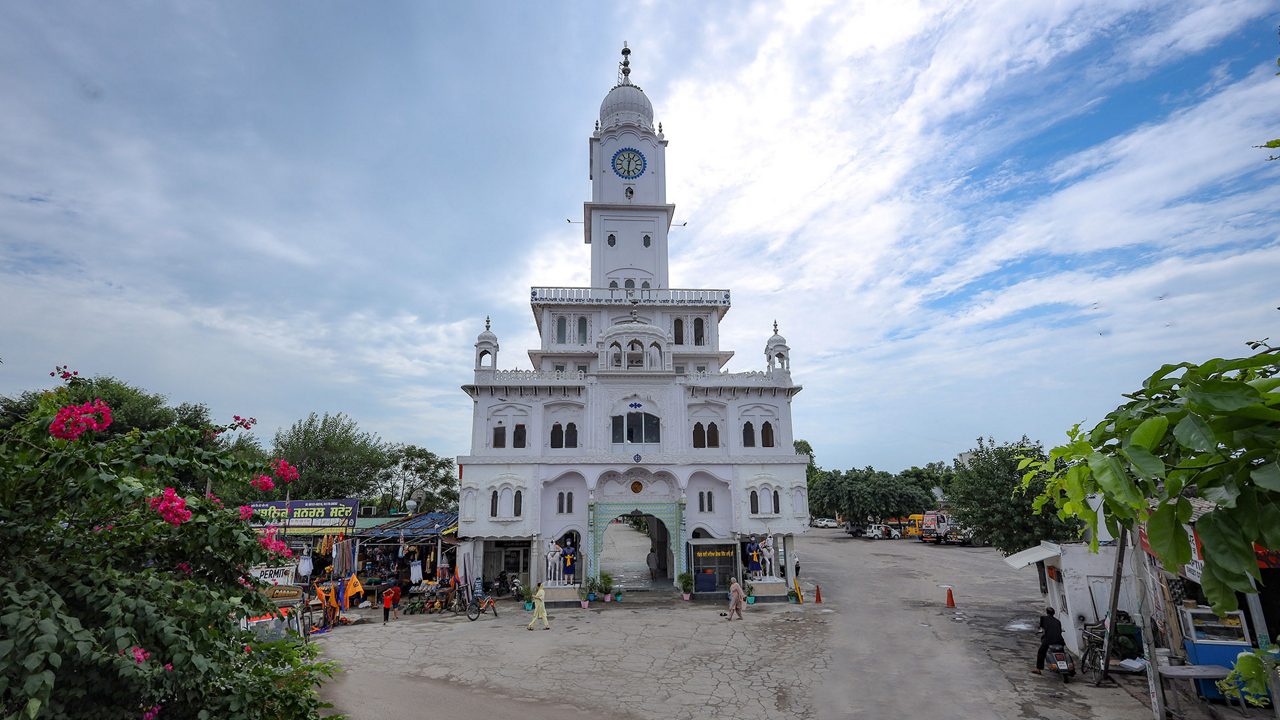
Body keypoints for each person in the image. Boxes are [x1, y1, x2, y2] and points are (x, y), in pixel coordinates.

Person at [1032, 606, 1065, 674]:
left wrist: (1039, 631)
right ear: (1054, 613)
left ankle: (1038, 669)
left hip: (1048, 640)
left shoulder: (1043, 618)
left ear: (1047, 612)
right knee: (1062, 652)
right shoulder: (1058, 621)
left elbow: (1041, 628)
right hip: (1060, 640)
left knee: (1041, 652)